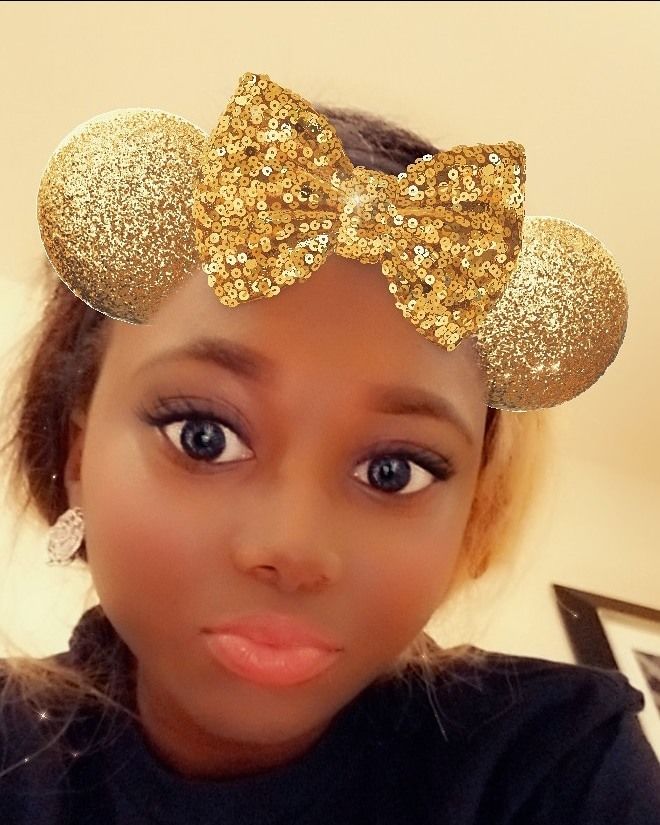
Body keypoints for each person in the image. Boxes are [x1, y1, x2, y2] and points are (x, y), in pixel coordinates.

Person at [0, 71, 658, 823]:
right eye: (204, 437)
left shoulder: (556, 762)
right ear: (76, 454)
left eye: (393, 471)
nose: (294, 549)